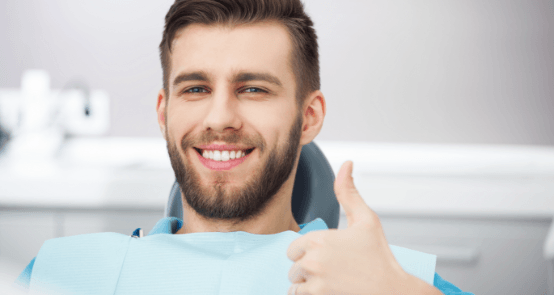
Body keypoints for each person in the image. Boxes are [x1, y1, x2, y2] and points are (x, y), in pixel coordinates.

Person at [15, 0, 473, 294]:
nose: (219, 119)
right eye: (195, 89)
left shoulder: (388, 281)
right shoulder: (61, 274)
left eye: (253, 89)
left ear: (308, 116)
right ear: (163, 113)